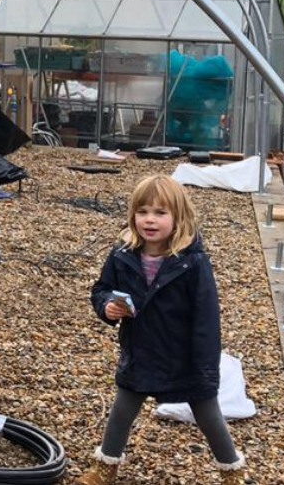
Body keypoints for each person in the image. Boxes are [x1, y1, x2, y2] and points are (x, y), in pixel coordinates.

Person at [77, 175, 246, 485]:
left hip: (184, 356)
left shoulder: (192, 263)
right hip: (140, 350)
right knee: (122, 410)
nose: (150, 220)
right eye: (142, 212)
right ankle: (106, 465)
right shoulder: (122, 254)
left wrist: (207, 370)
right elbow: (102, 289)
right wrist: (107, 307)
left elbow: (206, 319)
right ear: (132, 216)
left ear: (177, 218)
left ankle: (232, 470)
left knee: (208, 414)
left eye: (160, 212)